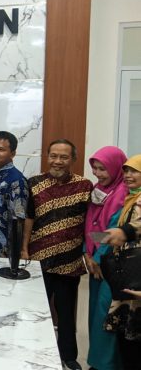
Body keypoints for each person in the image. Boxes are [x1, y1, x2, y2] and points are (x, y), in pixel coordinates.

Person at [23, 139, 92, 370]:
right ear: (47, 156)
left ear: (73, 159)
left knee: (66, 312)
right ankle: (30, 351)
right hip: (38, 258)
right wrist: (24, 248)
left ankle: (68, 357)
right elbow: (28, 218)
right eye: (53, 156)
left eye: (64, 157)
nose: (58, 161)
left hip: (69, 261)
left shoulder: (85, 186)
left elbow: (91, 222)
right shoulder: (34, 183)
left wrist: (90, 252)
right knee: (34, 311)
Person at [83, 146, 127, 370]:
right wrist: (87, 252)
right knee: (94, 314)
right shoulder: (98, 189)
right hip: (95, 261)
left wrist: (98, 257)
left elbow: (114, 230)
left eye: (103, 169)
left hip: (113, 264)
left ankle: (107, 364)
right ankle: (96, 361)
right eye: (95, 168)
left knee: (107, 314)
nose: (98, 174)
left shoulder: (124, 194)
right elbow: (89, 224)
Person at [101, 154, 141, 370]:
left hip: (137, 274)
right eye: (126, 170)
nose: (128, 175)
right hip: (130, 272)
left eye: (135, 170)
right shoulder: (131, 198)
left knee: (134, 337)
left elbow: (137, 225)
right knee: (127, 335)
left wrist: (125, 232)